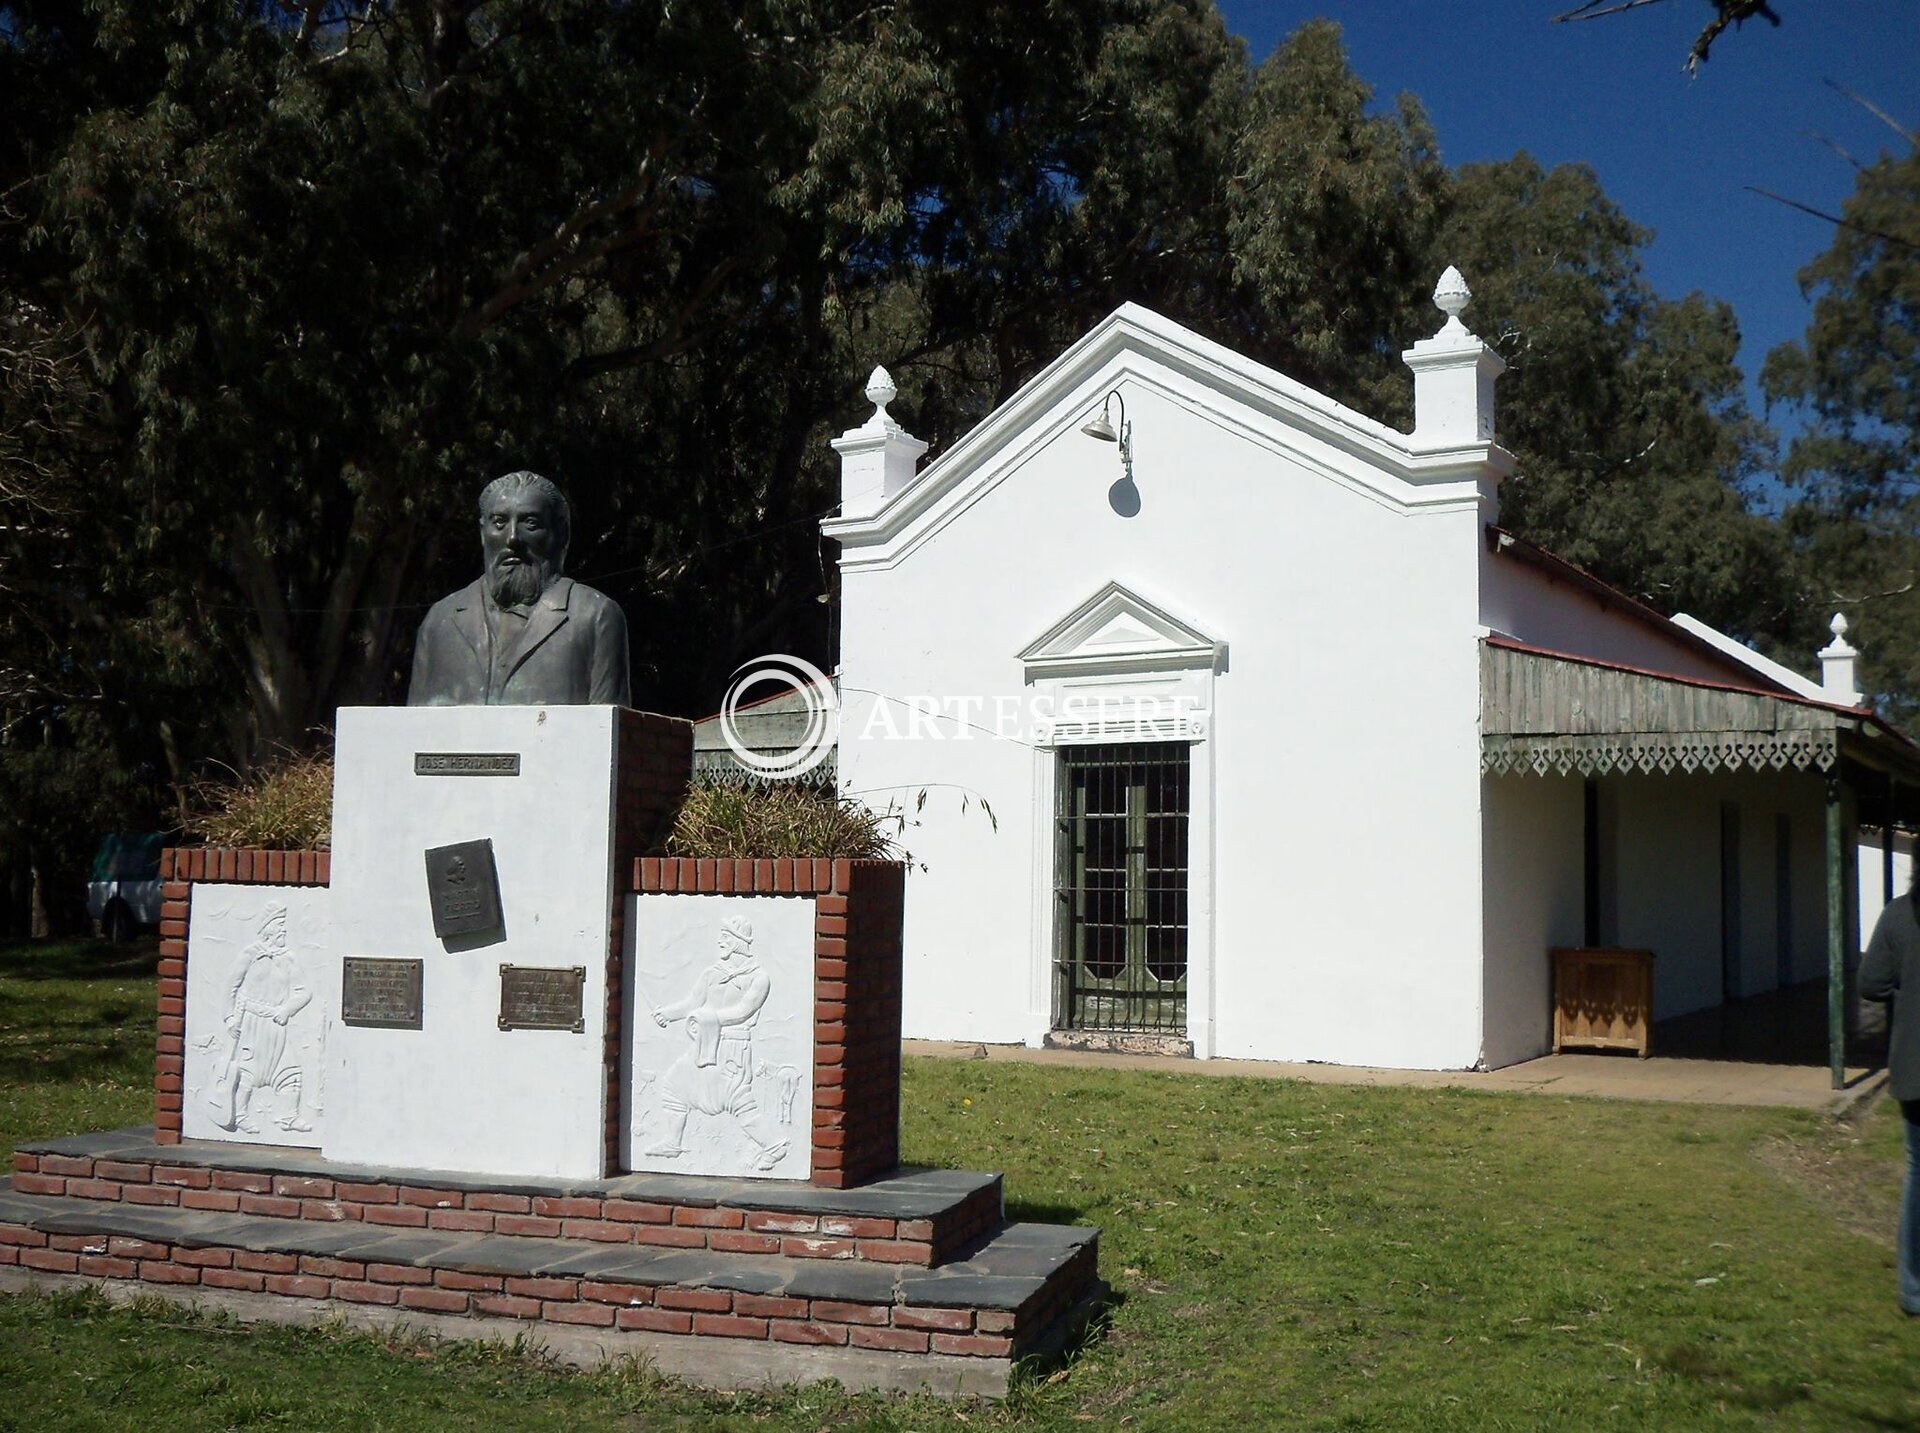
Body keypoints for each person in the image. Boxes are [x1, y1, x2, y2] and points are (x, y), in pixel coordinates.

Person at [408, 471, 631, 706]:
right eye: (499, 523)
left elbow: (605, 723)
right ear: (483, 533)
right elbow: (413, 724)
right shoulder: (439, 621)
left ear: (561, 534)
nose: (512, 538)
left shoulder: (594, 617)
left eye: (530, 523)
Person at [640, 916, 791, 1171]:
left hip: (732, 1046)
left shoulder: (759, 977)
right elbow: (692, 1003)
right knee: (674, 1085)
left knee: (737, 1100)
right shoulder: (711, 974)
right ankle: (672, 1142)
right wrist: (668, 1013)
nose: (720, 941)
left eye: (726, 936)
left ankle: (774, 1145)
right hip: (704, 1043)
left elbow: (743, 1010)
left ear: (739, 941)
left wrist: (709, 1018)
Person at [1861, 876, 1920, 1316]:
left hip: (1914, 1064)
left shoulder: (1899, 914)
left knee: (1918, 1172)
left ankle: (1912, 1289)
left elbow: (1870, 984)